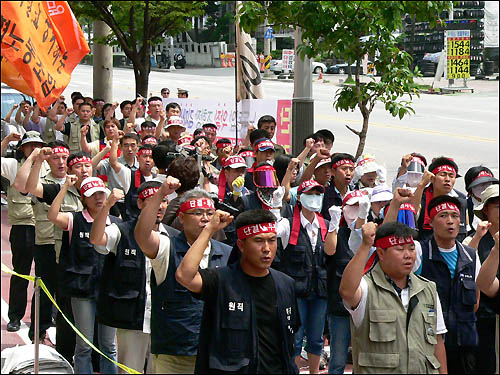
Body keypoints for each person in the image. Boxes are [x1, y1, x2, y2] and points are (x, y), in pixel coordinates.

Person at [175, 208, 300, 373]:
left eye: (271, 240)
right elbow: (185, 275)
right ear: (241, 245)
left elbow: (290, 341)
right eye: (258, 240)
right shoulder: (221, 280)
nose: (267, 248)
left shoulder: (286, 284)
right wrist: (209, 230)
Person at [134, 186, 232, 373]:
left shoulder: (226, 253)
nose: (205, 218)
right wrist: (161, 193)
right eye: (197, 213)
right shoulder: (166, 248)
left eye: (210, 213)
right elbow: (142, 235)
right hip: (175, 354)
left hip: (216, 353)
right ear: (181, 217)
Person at [90, 180, 179, 374]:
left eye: (163, 201)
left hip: (164, 321)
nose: (159, 206)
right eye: (153, 201)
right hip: (132, 321)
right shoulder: (122, 231)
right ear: (140, 204)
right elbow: (97, 239)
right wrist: (107, 206)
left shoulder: (174, 237)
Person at [340, 221, 448, 374]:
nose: (408, 255)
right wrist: (365, 245)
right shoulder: (366, 288)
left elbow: (437, 342)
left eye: (411, 249)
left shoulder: (428, 289)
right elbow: (347, 291)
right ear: (381, 253)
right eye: (399, 249)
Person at [47, 176, 119, 374]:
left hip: (108, 291)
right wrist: (64, 188)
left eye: (101, 193)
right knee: (84, 345)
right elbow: (52, 215)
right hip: (82, 290)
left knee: (109, 347)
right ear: (83, 198)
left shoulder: (115, 223)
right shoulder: (74, 219)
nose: (98, 198)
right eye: (92, 195)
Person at [411, 195, 481, 373]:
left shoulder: (471, 256)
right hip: (428, 344)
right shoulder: (420, 252)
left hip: (465, 345)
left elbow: (475, 301)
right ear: (431, 222)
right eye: (443, 216)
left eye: (455, 216)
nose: (450, 221)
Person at [277, 180, 336, 374]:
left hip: (319, 290)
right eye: (311, 194)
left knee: (316, 337)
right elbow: (274, 231)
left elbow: (331, 254)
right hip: (296, 292)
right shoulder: (288, 224)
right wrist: (276, 209)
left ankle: (314, 372)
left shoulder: (326, 225)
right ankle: (291, 370)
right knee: (294, 336)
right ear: (300, 198)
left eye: (318, 194)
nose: (315, 198)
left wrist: (335, 226)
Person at [1, 131, 46, 333]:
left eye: (38, 145)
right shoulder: (13, 166)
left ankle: (42, 321)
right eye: (30, 145)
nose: (34, 149)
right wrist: (6, 141)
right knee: (21, 273)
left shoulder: (48, 166)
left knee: (46, 275)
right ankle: (15, 317)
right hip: (22, 227)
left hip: (45, 226)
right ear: (23, 148)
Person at [462, 184, 499, 373]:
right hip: (480, 320)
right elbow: (482, 284)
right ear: (485, 209)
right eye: (498, 206)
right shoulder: (471, 240)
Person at [416, 157, 468, 242]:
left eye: (451, 176)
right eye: (443, 175)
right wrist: (421, 185)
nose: (447, 179)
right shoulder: (420, 198)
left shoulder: (461, 202)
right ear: (432, 178)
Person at [110, 141, 156, 221]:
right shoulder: (129, 175)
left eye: (151, 157)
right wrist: (115, 141)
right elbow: (114, 163)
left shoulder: (157, 179)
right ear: (137, 159)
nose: (148, 160)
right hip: (132, 224)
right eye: (144, 156)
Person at [464, 166, 498, 234]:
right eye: (481, 185)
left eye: (488, 184)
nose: (486, 188)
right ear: (470, 189)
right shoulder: (464, 207)